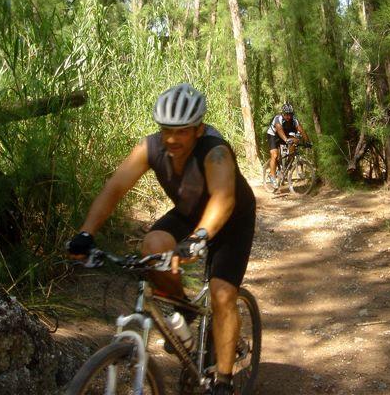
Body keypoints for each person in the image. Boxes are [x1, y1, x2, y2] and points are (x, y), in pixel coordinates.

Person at [67, 83, 255, 395]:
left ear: (198, 129)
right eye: (166, 129)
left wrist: (199, 238)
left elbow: (223, 199)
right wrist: (86, 234)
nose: (171, 138)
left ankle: (222, 382)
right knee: (152, 247)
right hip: (189, 212)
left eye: (181, 131)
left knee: (222, 295)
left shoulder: (215, 151)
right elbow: (113, 190)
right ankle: (187, 308)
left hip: (232, 218)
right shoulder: (150, 148)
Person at [265, 102, 309, 186]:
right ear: (283, 114)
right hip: (273, 135)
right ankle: (272, 176)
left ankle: (287, 163)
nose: (288, 117)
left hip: (284, 135)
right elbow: (279, 130)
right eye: (286, 114)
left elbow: (301, 130)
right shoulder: (278, 119)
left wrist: (307, 142)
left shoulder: (294, 120)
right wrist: (286, 140)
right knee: (274, 155)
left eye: (290, 114)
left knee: (296, 140)